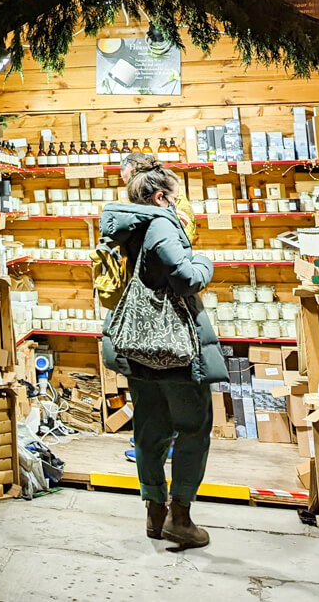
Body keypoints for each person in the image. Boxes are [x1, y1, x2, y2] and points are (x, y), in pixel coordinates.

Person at [99, 159, 225, 550]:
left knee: (150, 429)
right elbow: (186, 278)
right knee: (193, 427)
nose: (175, 202)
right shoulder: (161, 224)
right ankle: (180, 517)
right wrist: (205, 262)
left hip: (137, 345)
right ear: (159, 196)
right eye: (173, 196)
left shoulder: (127, 226)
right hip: (172, 347)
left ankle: (155, 512)